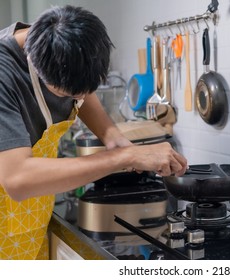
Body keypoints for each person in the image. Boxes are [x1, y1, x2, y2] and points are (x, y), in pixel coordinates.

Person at [0, 5, 187, 260]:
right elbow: (18, 180)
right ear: (33, 63)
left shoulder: (56, 39)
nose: (78, 99)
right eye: (68, 94)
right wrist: (125, 158)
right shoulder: (4, 76)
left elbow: (82, 92)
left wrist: (113, 137)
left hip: (31, 219)